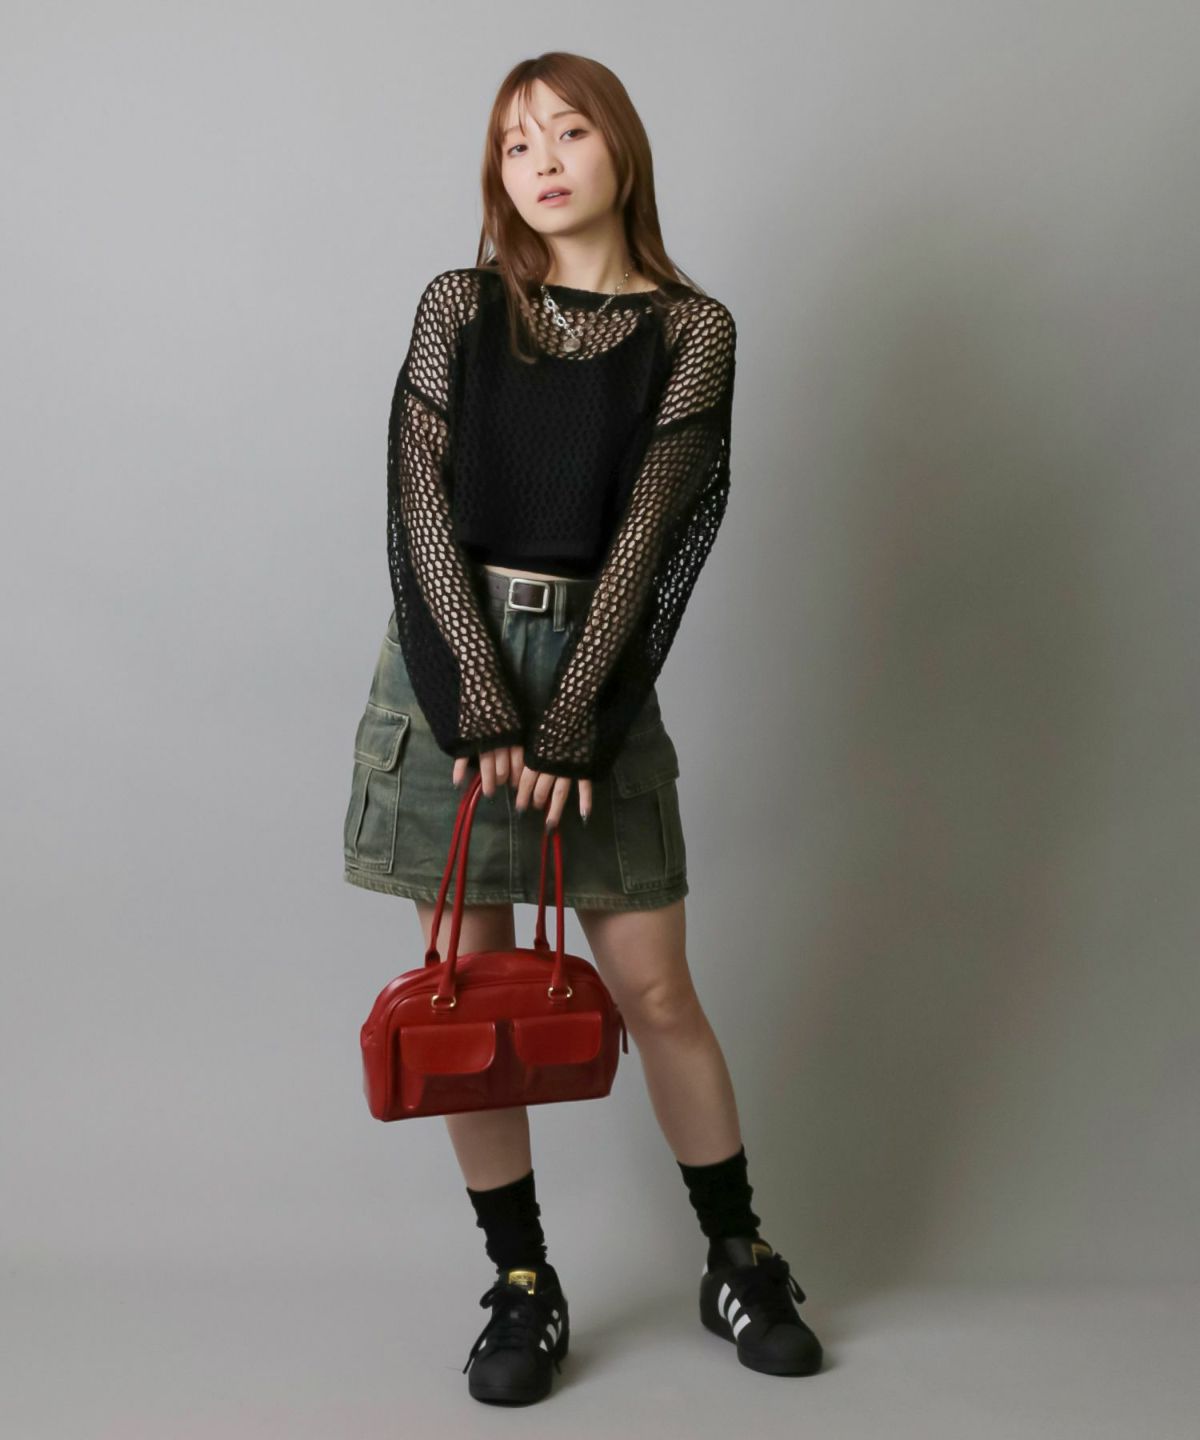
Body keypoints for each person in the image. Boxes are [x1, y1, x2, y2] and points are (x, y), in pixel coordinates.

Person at [342, 51, 824, 1404]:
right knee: (473, 998)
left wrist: (567, 721)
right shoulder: (459, 307)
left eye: (566, 131)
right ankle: (521, 1284)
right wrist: (482, 695)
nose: (541, 162)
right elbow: (419, 508)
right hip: (448, 663)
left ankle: (739, 1257)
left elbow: (652, 537)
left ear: (621, 148)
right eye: (513, 145)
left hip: (594, 673)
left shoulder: (693, 331)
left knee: (656, 988)